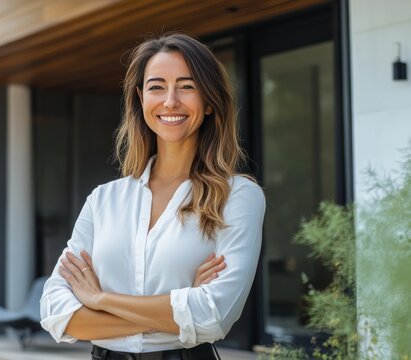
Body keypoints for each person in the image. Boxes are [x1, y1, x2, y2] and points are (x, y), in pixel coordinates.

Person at [39, 33, 265, 360]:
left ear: (210, 100)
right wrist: (178, 305)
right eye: (156, 86)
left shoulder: (237, 197)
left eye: (187, 86)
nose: (170, 101)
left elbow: (213, 315)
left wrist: (100, 299)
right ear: (140, 97)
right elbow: (56, 312)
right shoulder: (103, 201)